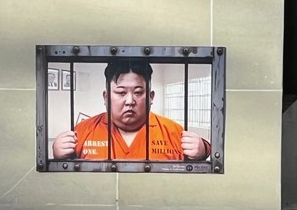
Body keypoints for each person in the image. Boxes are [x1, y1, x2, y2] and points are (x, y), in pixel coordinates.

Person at [51, 59, 210, 162]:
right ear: (106, 97)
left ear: (151, 97)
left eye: (138, 92)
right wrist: (59, 157)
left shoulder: (174, 132)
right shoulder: (82, 131)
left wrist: (202, 151)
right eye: (121, 92)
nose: (130, 101)